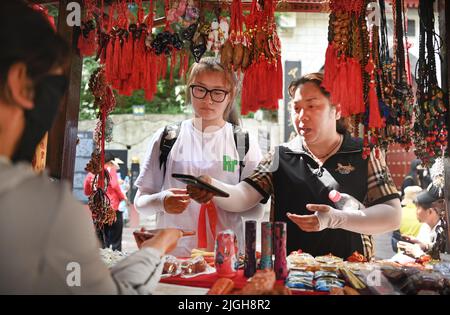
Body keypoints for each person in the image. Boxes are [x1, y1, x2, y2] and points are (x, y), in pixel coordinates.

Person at [0, 0, 181, 294]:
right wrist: (159, 245)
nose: (58, 103)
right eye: (56, 84)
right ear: (21, 83)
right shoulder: (43, 208)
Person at [187, 72, 402, 260]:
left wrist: (337, 219)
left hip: (351, 271)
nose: (301, 116)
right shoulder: (280, 155)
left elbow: (392, 216)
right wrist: (213, 186)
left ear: (336, 110)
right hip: (290, 273)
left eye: (312, 106)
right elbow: (244, 195)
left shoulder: (363, 152)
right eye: (296, 108)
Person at [134, 57, 264, 257]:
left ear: (231, 95)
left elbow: (254, 210)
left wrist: (217, 192)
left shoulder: (244, 142)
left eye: (218, 92)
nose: (208, 99)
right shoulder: (167, 137)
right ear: (190, 89)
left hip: (226, 259)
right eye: (200, 89)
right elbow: (140, 202)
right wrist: (162, 201)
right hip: (173, 258)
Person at [84, 153, 127, 251]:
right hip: (113, 207)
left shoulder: (92, 173)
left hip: (98, 210)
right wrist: (122, 197)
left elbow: (86, 191)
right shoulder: (110, 169)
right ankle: (115, 262)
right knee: (115, 240)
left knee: (101, 240)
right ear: (110, 162)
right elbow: (115, 185)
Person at [397, 184, 446, 257]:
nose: (416, 211)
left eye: (418, 208)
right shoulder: (426, 227)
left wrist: (419, 254)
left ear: (430, 211)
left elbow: (442, 265)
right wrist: (425, 246)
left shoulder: (444, 231)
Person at [390, 185, 424, 252]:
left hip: (402, 252)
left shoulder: (400, 212)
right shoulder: (426, 213)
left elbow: (394, 239)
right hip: (421, 252)